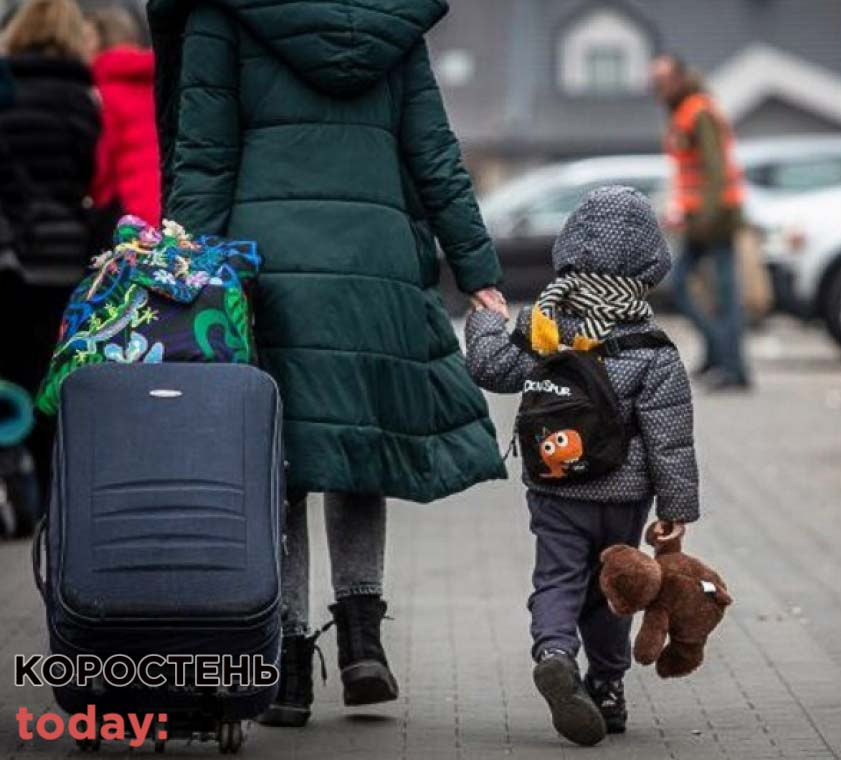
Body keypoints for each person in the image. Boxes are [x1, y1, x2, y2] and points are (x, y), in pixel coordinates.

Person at [147, 0, 510, 727]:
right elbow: (433, 153)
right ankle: (362, 639)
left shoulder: (226, 18)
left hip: (267, 268)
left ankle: (285, 664)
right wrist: (477, 269)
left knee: (279, 461)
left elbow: (205, 157)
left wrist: (177, 272)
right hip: (370, 270)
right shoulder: (392, 23)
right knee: (354, 447)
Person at [466, 186, 699, 746]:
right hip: (623, 498)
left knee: (557, 578)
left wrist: (485, 321)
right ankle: (608, 688)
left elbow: (491, 368)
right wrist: (676, 510)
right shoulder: (652, 345)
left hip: (555, 487)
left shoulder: (544, 324)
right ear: (650, 260)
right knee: (613, 586)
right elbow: (669, 438)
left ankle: (553, 653)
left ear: (569, 246)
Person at [0, 0, 100, 524]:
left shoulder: (4, 90)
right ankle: (51, 496)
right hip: (64, 253)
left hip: (13, 252)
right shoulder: (81, 98)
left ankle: (16, 486)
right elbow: (90, 172)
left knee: (11, 371)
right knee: (53, 373)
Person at [651, 53, 750, 390]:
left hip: (716, 217)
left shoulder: (699, 111)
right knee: (697, 290)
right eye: (655, 82)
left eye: (663, 81)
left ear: (679, 78)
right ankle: (718, 358)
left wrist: (705, 217)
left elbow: (716, 170)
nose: (658, 88)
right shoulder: (684, 111)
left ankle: (733, 367)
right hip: (701, 216)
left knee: (720, 294)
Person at [89, 6, 160, 225]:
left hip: (130, 213)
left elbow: (103, 163)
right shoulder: (156, 82)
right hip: (169, 201)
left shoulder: (104, 92)